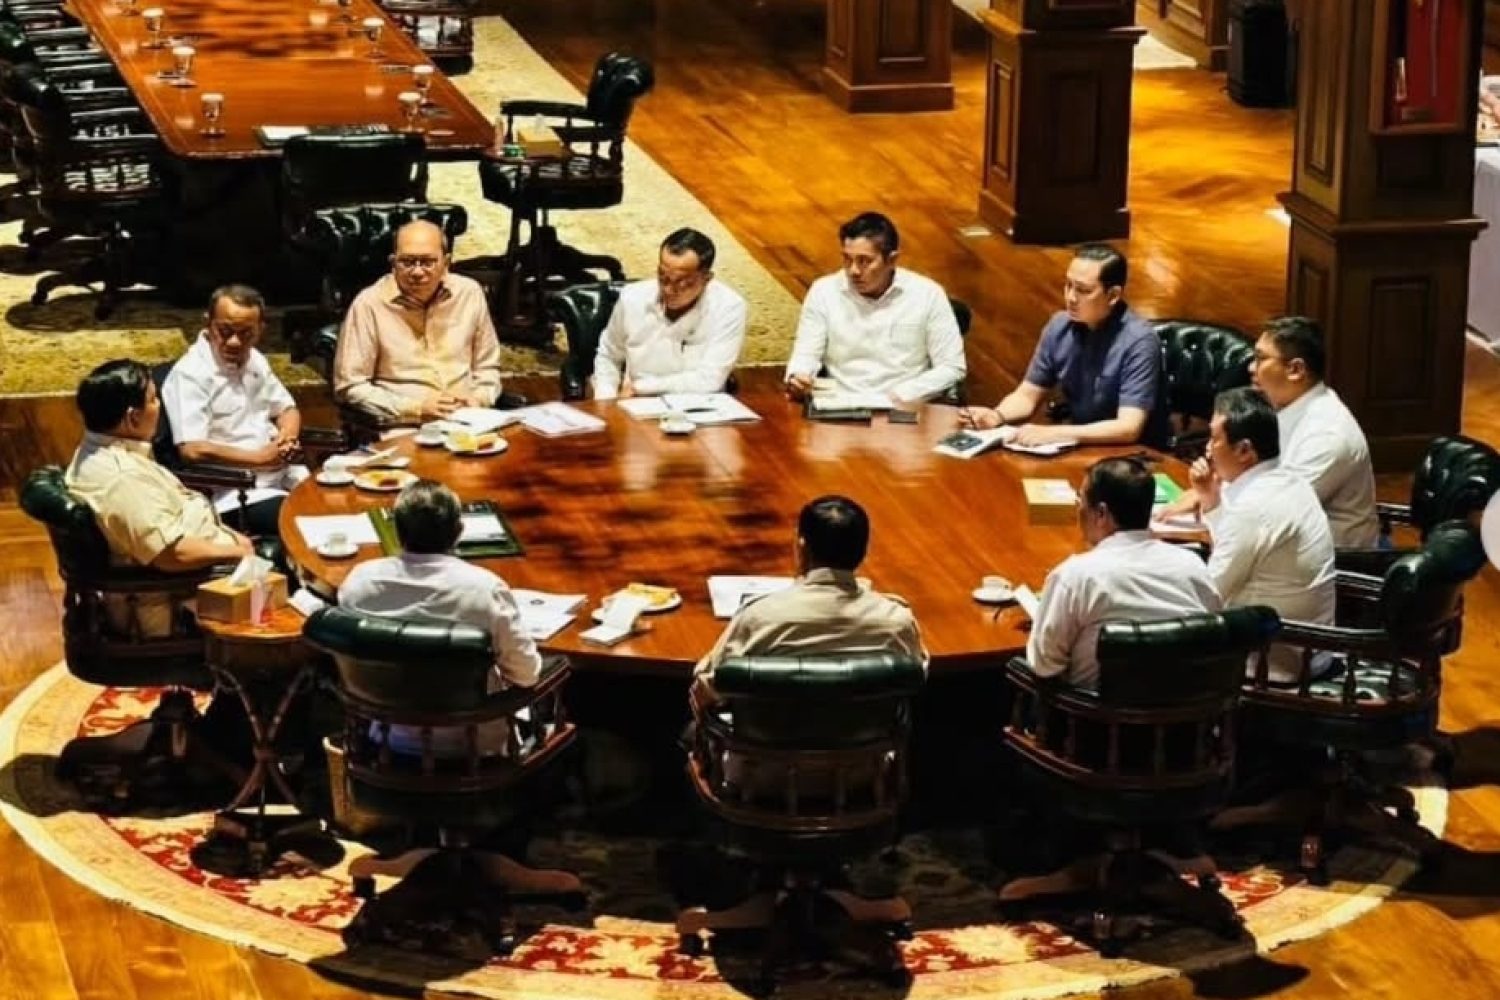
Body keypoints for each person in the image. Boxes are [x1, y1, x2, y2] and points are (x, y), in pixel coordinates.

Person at [339, 479, 542, 757]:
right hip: (477, 748)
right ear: (458, 532)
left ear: (397, 531)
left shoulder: (360, 583)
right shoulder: (484, 589)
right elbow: (526, 675)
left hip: (387, 740)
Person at [65, 359, 255, 637]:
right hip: (180, 601)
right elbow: (171, 555)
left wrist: (232, 539)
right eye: (153, 399)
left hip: (197, 572)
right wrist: (239, 552)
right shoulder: (123, 479)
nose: (160, 406)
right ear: (133, 417)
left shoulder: (101, 448)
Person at [1160, 316, 1378, 548]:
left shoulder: (1327, 436)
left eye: (1260, 358)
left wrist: (1213, 501)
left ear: (1295, 370)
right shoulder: (1282, 406)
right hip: (1273, 540)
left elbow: (1275, 514)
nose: (1251, 367)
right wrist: (1210, 490)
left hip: (1327, 558)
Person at [693, 495, 927, 708]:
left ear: (802, 547)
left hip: (770, 742)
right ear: (864, 552)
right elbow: (917, 674)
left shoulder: (759, 617)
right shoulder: (897, 621)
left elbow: (709, 682)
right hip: (869, 742)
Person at [1026, 457, 1221, 692]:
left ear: (1101, 513)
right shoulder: (1193, 566)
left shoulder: (1075, 577)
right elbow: (1213, 637)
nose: (1078, 509)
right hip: (1186, 710)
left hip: (1094, 712)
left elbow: (1044, 665)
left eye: (1081, 500)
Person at [958, 243, 1168, 448]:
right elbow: (1027, 395)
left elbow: (1128, 428)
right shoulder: (1059, 326)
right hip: (1081, 444)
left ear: (1113, 295)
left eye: (1083, 290)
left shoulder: (1139, 341)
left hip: (1134, 456)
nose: (1071, 297)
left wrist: (1056, 433)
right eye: (1068, 285)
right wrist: (997, 416)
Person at [1194, 387, 1336, 684]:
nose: (1207, 450)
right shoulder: (1292, 482)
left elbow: (1208, 596)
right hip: (1310, 649)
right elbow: (1241, 550)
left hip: (1273, 662)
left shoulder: (1254, 508)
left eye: (1214, 439)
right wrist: (1212, 502)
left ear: (1245, 451)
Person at [160, 284, 306, 537]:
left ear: (261, 329)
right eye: (225, 331)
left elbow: (287, 409)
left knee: (344, 501)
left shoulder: (256, 360)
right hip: (238, 492)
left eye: (246, 334)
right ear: (208, 323)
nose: (234, 342)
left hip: (286, 474)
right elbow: (192, 449)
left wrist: (287, 438)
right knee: (306, 521)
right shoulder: (191, 374)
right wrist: (260, 458)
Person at [783, 212, 966, 405]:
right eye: (847, 259)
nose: (853, 271)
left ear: (892, 260)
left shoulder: (927, 295)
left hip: (905, 405)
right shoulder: (824, 291)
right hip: (840, 403)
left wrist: (901, 394)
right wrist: (799, 375)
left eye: (865, 261)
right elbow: (806, 353)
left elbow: (951, 367)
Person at [333, 220, 503, 424]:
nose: (417, 272)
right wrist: (415, 409)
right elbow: (350, 386)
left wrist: (479, 399)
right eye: (407, 262)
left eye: (427, 262)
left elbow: (487, 368)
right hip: (405, 424)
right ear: (393, 263)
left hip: (469, 421)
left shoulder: (469, 293)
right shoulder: (369, 304)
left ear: (446, 263)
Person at [592, 228, 747, 399]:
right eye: (663, 277)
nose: (669, 289)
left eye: (682, 283)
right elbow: (608, 355)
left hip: (697, 402)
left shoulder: (729, 306)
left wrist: (641, 387)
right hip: (637, 402)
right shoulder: (632, 297)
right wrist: (606, 401)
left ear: (706, 279)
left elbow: (710, 379)